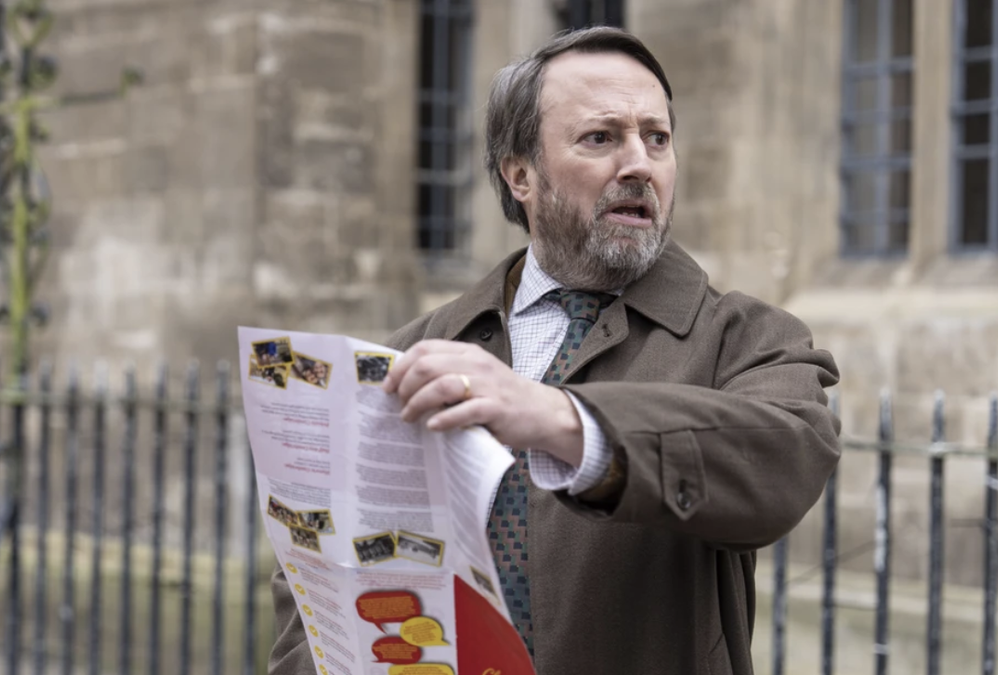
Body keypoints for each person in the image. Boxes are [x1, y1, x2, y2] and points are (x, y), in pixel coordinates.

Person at [268, 26, 840, 674]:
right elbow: (315, 595)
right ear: (521, 175)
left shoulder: (744, 339)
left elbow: (788, 458)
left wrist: (562, 419)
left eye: (657, 138)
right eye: (601, 138)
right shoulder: (408, 357)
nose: (639, 164)